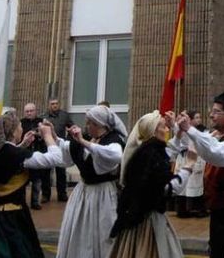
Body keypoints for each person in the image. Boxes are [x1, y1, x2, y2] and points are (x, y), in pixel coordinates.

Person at [0, 111, 67, 258]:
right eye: (20, 126)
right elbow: (56, 159)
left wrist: (22, 145)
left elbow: (5, 158)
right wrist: (48, 136)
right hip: (6, 219)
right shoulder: (13, 154)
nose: (22, 129)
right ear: (13, 131)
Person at [177, 84, 224, 258]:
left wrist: (190, 129)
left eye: (216, 112)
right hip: (219, 207)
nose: (211, 115)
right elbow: (190, 146)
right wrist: (178, 129)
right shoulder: (214, 135)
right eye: (211, 111)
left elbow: (219, 154)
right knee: (216, 251)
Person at [109, 110, 194, 258]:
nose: (167, 129)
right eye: (163, 127)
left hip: (137, 217)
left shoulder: (146, 150)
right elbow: (167, 188)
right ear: (154, 132)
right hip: (148, 220)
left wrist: (179, 134)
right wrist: (188, 166)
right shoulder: (151, 155)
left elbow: (168, 152)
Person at [55, 105, 128, 258]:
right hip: (83, 192)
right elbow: (67, 151)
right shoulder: (91, 137)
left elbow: (115, 155)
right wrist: (53, 137)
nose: (86, 126)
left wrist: (83, 142)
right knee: (80, 230)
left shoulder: (113, 139)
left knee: (102, 232)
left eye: (89, 123)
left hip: (103, 194)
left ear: (99, 124)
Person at [174, 110, 207, 219]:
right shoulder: (182, 130)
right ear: (191, 120)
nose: (199, 120)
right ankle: (182, 209)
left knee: (197, 184)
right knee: (183, 184)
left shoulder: (201, 130)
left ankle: (197, 208)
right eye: (196, 117)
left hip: (196, 157)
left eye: (199, 117)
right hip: (185, 158)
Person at [21, 103, 49, 209]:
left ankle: (35, 202)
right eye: (27, 111)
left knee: (37, 181)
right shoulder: (21, 122)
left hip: (38, 153)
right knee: (22, 181)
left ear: (35, 111)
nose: (29, 113)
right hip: (25, 154)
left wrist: (39, 135)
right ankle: (22, 202)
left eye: (31, 111)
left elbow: (47, 137)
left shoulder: (41, 122)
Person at [45, 97, 72, 202]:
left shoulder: (64, 115)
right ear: (49, 105)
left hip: (60, 147)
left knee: (61, 172)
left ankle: (62, 194)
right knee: (46, 172)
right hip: (48, 147)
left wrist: (68, 141)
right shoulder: (44, 116)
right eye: (52, 104)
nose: (54, 105)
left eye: (56, 103)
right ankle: (46, 195)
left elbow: (72, 127)